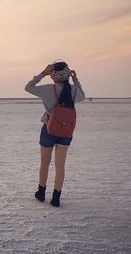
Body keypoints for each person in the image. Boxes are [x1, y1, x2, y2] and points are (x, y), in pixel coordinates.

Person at [25, 61, 86, 207]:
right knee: (60, 166)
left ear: (53, 76)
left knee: (44, 163)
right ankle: (56, 197)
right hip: (66, 131)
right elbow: (82, 96)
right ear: (67, 75)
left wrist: (42, 73)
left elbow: (28, 87)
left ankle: (41, 193)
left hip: (48, 129)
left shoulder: (47, 89)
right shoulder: (74, 91)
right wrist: (75, 80)